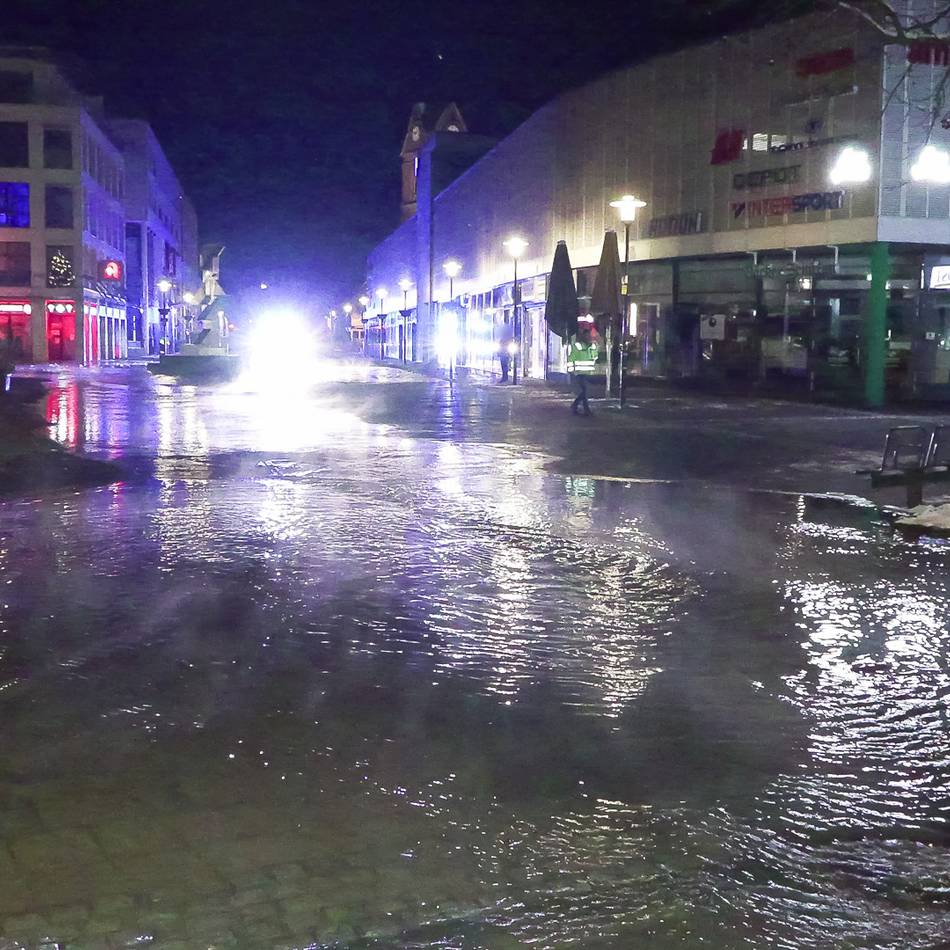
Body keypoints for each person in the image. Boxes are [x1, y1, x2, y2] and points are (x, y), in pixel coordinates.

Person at [566, 323, 599, 416]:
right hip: (579, 373)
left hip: (587, 372)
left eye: (590, 335)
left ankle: (576, 406)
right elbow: (571, 358)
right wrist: (571, 371)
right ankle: (584, 409)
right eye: (587, 335)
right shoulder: (577, 346)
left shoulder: (592, 346)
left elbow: (595, 357)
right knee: (584, 392)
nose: (589, 337)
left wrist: (595, 348)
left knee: (584, 392)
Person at [498, 315, 514, 382]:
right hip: (504, 350)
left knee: (504, 363)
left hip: (505, 350)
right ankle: (505, 376)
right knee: (505, 363)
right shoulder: (508, 329)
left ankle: (505, 376)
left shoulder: (506, 329)